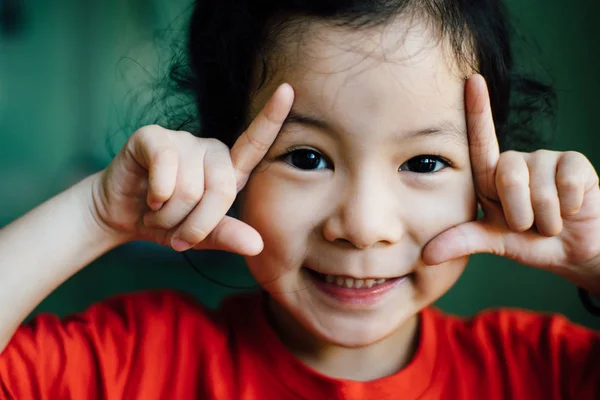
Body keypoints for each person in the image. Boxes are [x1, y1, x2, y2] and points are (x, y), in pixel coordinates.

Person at [1, 0, 599, 398]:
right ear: (224, 164)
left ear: (487, 184)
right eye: (307, 157)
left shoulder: (540, 371)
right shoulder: (135, 365)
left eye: (424, 162)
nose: (363, 227)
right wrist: (94, 216)